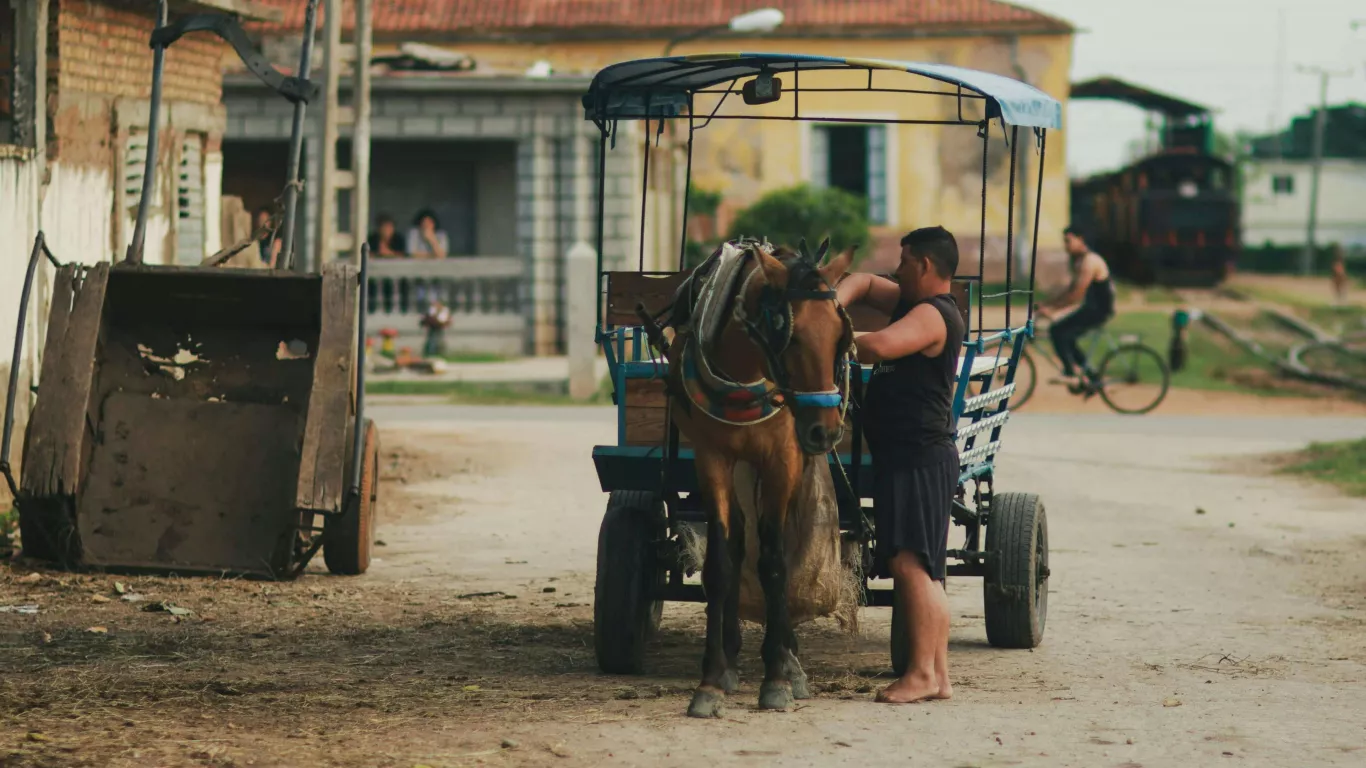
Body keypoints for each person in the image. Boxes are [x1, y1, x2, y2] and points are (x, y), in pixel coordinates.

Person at [835, 226, 964, 704]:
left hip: (918, 455)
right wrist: (833, 301)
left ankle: (921, 675)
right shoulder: (912, 303)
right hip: (906, 454)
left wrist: (827, 332)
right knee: (922, 568)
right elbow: (866, 283)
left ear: (926, 266)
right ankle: (939, 677)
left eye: (906, 261)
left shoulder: (933, 315)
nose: (898, 267)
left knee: (912, 565)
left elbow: (878, 347)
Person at [1039, 226, 1115, 387]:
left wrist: (1052, 310)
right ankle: (1092, 377)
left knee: (1059, 332)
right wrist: (1047, 304)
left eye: (1068, 241)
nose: (1065, 245)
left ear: (1081, 239)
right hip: (1090, 308)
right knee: (1065, 335)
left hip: (1098, 311)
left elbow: (1076, 296)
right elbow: (1070, 290)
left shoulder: (1090, 261)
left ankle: (1071, 373)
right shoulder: (1078, 260)